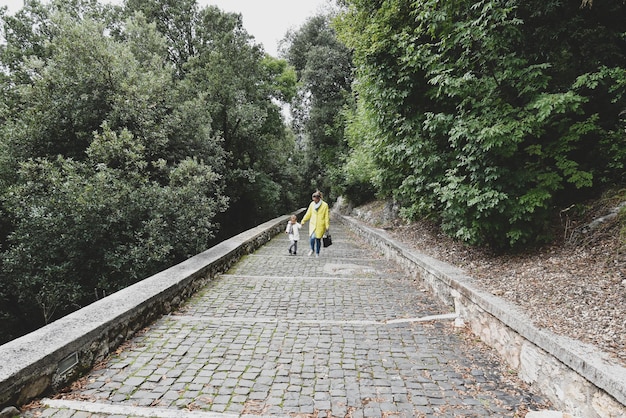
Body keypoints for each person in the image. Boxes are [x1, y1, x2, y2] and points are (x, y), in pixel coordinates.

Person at [300, 190, 330, 257]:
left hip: (320, 225)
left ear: (319, 198)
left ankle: (317, 252)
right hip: (313, 224)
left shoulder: (325, 205)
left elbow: (326, 216)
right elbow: (308, 214)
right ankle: (312, 249)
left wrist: (327, 225)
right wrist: (303, 221)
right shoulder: (312, 204)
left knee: (318, 239)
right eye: (313, 199)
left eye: (315, 199)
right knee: (312, 238)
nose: (314, 201)